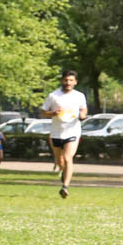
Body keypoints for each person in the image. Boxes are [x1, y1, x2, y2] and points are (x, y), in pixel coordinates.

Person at [42, 70, 87, 199]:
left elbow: (83, 110)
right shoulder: (53, 96)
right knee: (59, 161)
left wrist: (82, 115)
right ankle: (63, 171)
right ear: (62, 81)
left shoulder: (79, 96)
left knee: (68, 158)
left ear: (75, 82)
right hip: (56, 132)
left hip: (72, 131)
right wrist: (53, 113)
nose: (68, 83)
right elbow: (43, 112)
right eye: (66, 80)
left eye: (71, 80)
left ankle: (65, 187)